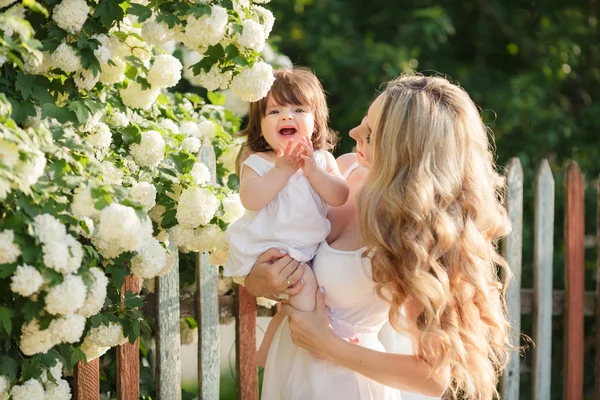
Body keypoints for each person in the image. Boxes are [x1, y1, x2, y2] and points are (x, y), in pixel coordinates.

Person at [244, 74, 512, 400]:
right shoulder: (342, 171)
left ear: (405, 151)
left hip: (345, 384)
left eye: (369, 133)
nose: (354, 133)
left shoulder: (409, 228)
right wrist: (259, 281)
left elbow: (431, 378)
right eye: (362, 121)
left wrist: (328, 344)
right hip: (290, 367)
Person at [224, 67, 349, 318]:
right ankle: (308, 337)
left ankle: (284, 342)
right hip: (270, 249)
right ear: (260, 127)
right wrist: (281, 171)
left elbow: (340, 196)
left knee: (313, 292)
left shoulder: (321, 159)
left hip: (306, 250)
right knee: (304, 289)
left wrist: (314, 173)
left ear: (315, 123)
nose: (286, 117)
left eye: (298, 110)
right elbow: (250, 200)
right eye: (274, 111)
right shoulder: (259, 162)